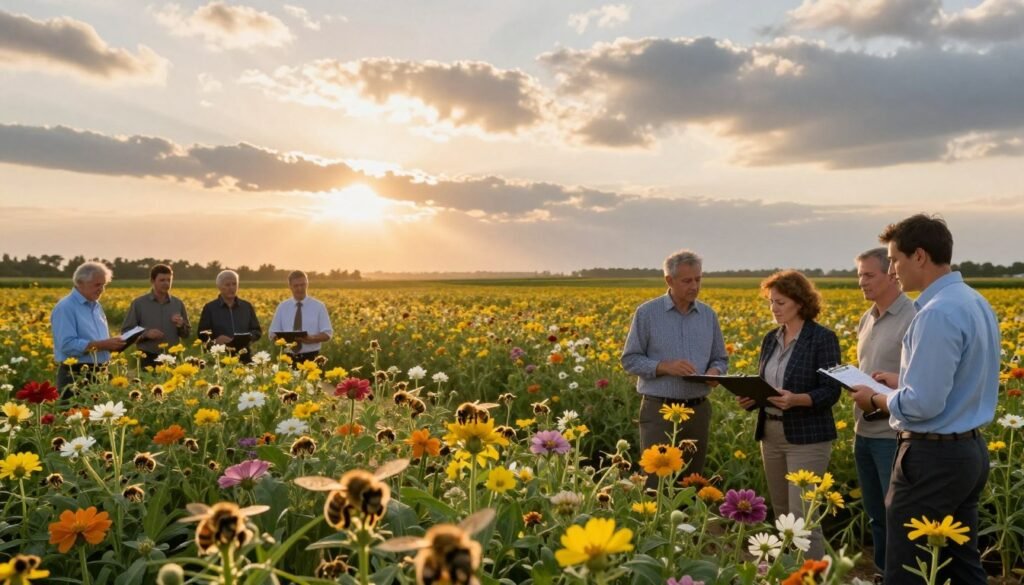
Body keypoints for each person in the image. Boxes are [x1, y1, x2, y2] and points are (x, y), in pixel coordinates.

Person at [850, 215, 999, 585]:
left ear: (919, 256)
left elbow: (923, 406)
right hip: (968, 451)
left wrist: (878, 400)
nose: (892, 270)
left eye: (895, 260)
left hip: (932, 458)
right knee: (963, 565)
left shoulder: (936, 313)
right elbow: (962, 380)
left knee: (906, 570)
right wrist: (903, 383)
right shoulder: (973, 301)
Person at [739, 270, 840, 560]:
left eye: (780, 302)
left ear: (799, 301)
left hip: (807, 439)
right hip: (770, 435)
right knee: (782, 518)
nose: (774, 308)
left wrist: (798, 400)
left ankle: (815, 579)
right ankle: (788, 576)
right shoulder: (771, 339)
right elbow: (766, 385)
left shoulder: (822, 338)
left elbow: (832, 390)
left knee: (803, 520)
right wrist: (752, 398)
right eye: (771, 302)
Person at [621, 249, 728, 484]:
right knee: (655, 483)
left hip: (697, 411)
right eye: (687, 280)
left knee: (691, 484)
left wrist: (714, 372)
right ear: (669, 280)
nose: (694, 286)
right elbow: (630, 359)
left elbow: (721, 358)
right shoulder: (647, 313)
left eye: (698, 279)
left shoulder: (708, 315)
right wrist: (663, 367)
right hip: (660, 412)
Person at [851, 248, 916, 582]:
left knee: (898, 516)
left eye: (868, 275)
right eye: (859, 274)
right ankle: (882, 572)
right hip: (863, 431)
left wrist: (878, 394)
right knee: (876, 514)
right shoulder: (868, 317)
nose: (862, 281)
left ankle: (900, 576)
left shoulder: (914, 317)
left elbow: (920, 384)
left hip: (894, 436)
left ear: (892, 274)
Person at [50, 261, 126, 396]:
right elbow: (67, 345)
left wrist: (113, 343)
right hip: (76, 375)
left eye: (104, 285)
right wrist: (104, 345)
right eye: (97, 285)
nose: (101, 289)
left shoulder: (96, 306)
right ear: (80, 283)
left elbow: (97, 338)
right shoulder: (66, 307)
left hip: (101, 372)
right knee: (75, 415)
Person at [121, 264, 191, 369]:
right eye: (162, 280)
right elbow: (126, 332)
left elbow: (186, 334)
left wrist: (181, 325)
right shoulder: (139, 303)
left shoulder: (178, 304)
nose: (166, 283)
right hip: (147, 357)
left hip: (172, 357)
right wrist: (146, 334)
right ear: (152, 281)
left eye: (169, 280)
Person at [269, 271, 333, 365]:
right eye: (296, 286)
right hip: (288, 358)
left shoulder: (319, 306)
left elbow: (327, 334)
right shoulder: (282, 307)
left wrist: (311, 338)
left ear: (307, 284)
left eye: (302, 285)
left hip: (312, 358)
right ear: (290, 286)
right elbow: (272, 333)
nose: (300, 288)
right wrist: (284, 341)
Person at [197, 270, 262, 363]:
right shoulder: (210, 308)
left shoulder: (246, 306)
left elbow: (257, 331)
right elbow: (201, 333)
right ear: (219, 287)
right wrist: (216, 340)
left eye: (234, 284)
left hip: (244, 357)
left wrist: (247, 338)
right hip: (219, 357)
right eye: (227, 285)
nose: (232, 288)